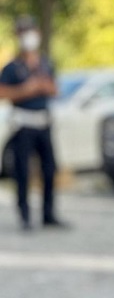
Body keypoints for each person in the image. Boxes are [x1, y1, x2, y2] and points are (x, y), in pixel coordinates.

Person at [0, 15, 66, 231]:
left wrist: (44, 87)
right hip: (23, 124)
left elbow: (55, 88)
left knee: (49, 169)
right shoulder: (12, 67)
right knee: (22, 172)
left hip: (43, 123)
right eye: (23, 32)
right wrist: (26, 89)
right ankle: (25, 215)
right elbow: (2, 92)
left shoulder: (45, 63)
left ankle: (48, 214)